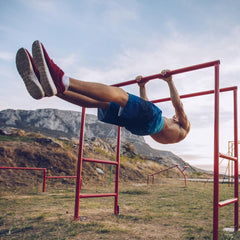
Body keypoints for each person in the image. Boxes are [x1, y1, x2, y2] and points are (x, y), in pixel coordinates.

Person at [16, 40, 190, 144]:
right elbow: (144, 108)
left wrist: (170, 81)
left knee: (121, 95)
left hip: (153, 122)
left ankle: (61, 79)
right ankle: (53, 90)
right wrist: (142, 87)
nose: (175, 116)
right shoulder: (171, 135)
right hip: (140, 128)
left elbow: (178, 105)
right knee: (104, 103)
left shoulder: (184, 127)